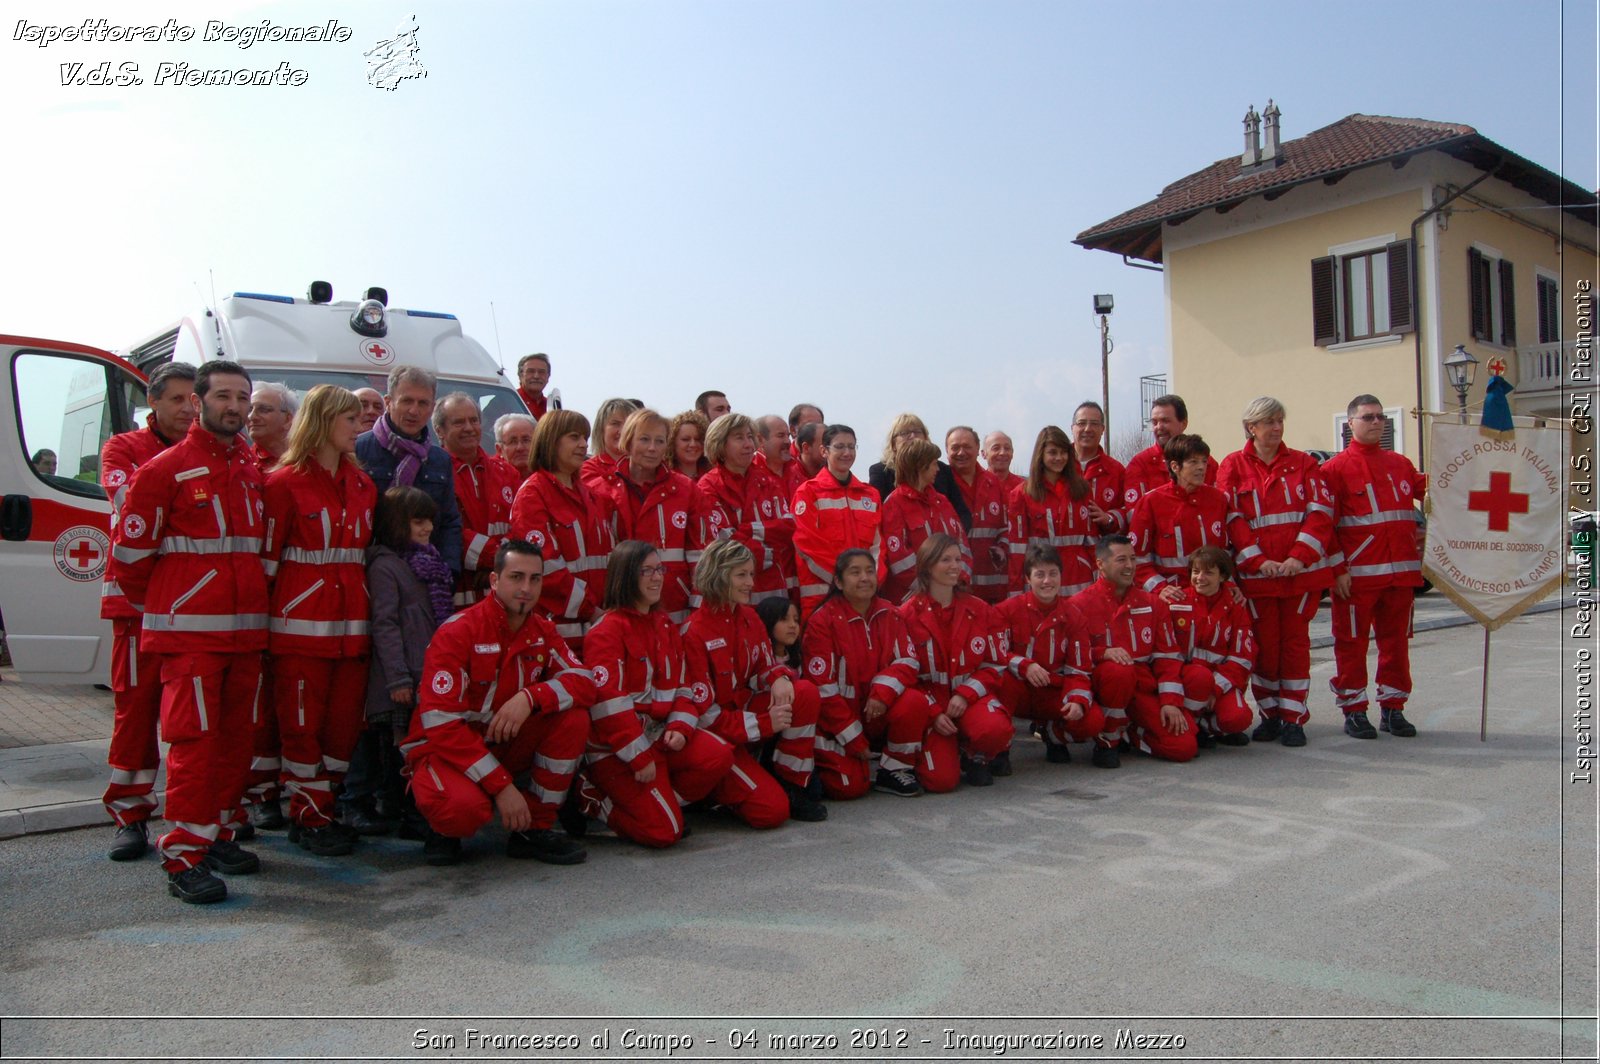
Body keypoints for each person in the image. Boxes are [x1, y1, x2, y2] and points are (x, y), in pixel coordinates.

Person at [109, 359, 267, 904]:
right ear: (200, 402)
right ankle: (182, 857)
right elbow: (130, 560)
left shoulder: (249, 471)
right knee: (194, 748)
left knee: (233, 745)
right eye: (224, 396)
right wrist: (172, 609)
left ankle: (217, 833)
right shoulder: (163, 470)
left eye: (243, 398)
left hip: (245, 637)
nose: (236, 406)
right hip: (192, 640)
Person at [403, 539, 595, 866]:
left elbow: (585, 682)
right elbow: (441, 726)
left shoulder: (542, 630)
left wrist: (531, 697)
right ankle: (436, 823)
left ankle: (533, 829)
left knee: (573, 718)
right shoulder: (459, 631)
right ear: (494, 581)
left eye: (535, 579)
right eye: (516, 577)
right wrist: (503, 787)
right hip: (449, 750)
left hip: (501, 743)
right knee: (462, 812)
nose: (526, 588)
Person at [262, 385, 376, 857]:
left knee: (343, 726)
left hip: (352, 627)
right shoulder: (282, 483)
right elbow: (266, 562)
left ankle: (321, 808)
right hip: (299, 628)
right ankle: (308, 815)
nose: (359, 426)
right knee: (301, 725)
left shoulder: (364, 484)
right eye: (350, 419)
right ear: (324, 421)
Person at [570, 541, 742, 847]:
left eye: (659, 569)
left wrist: (680, 726)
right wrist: (638, 757)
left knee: (719, 755)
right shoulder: (606, 631)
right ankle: (592, 798)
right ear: (624, 577)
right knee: (664, 834)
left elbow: (684, 687)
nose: (656, 577)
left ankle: (663, 807)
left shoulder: (664, 623)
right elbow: (609, 706)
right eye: (645, 571)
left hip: (660, 736)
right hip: (617, 751)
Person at [97, 361, 197, 862]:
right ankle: (130, 815)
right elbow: (127, 501)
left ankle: (195, 817)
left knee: (191, 720)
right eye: (176, 399)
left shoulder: (217, 451)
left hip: (193, 608)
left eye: (192, 399)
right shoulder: (123, 448)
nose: (187, 408)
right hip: (136, 604)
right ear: (152, 403)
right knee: (135, 711)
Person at [1216, 397, 1338, 746]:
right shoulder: (1233, 466)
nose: (1277, 427)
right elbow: (1232, 518)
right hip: (1258, 579)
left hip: (1298, 576)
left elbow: (1320, 514)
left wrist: (1298, 558)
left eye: (1280, 420)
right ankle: (1270, 714)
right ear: (1251, 427)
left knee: (1295, 647)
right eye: (1269, 421)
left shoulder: (1303, 464)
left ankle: (1293, 717)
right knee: (1264, 648)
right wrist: (1258, 562)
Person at [683, 539, 826, 822]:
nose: (751, 582)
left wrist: (779, 677)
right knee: (771, 813)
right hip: (721, 737)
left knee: (805, 691)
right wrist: (764, 724)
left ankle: (793, 781)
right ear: (718, 575)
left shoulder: (750, 617)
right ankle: (714, 793)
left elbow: (763, 665)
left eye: (751, 574)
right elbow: (705, 715)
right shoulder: (694, 632)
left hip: (746, 722)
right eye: (741, 575)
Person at [1321, 393, 1427, 740]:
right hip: (1357, 580)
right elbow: (1324, 526)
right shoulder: (1334, 470)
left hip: (1401, 577)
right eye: (1367, 417)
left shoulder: (1400, 464)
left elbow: (1438, 490)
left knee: (1396, 645)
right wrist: (1337, 570)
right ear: (1350, 423)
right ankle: (1354, 711)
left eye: (1381, 417)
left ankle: (1393, 709)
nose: (1376, 422)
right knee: (1350, 645)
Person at [802, 549, 930, 799]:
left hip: (876, 712)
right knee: (849, 788)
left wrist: (882, 693)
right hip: (838, 722)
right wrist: (852, 738)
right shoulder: (822, 622)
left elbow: (908, 660)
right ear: (838, 582)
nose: (865, 578)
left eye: (870, 571)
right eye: (855, 572)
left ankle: (895, 769)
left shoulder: (890, 613)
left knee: (913, 701)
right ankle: (826, 763)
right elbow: (822, 687)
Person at [363, 486, 451, 840]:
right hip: (402, 677)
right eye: (418, 521)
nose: (427, 527)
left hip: (425, 671)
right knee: (399, 750)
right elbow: (385, 624)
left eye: (429, 520)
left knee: (417, 746)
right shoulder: (386, 567)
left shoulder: (429, 562)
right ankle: (402, 810)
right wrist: (397, 679)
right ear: (398, 523)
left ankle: (416, 808)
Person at [898, 534, 1014, 789]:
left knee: (994, 728)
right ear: (927, 566)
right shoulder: (906, 615)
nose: (955, 566)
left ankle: (975, 756)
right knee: (941, 782)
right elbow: (903, 675)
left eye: (958, 559)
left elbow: (996, 664)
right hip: (932, 704)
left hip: (969, 700)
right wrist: (932, 712)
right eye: (945, 560)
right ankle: (941, 750)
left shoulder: (980, 609)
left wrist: (964, 694)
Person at [1069, 535, 1193, 768]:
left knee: (1184, 747)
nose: (1129, 566)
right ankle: (1108, 740)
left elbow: (1168, 658)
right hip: (1103, 685)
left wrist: (1170, 702)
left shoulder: (1153, 604)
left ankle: (1131, 734)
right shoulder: (1079, 604)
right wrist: (1102, 653)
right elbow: (1071, 658)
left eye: (1133, 559)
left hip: (1141, 688)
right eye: (1121, 560)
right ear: (1100, 564)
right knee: (1118, 672)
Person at [509, 408, 616, 656]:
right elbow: (543, 566)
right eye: (574, 437)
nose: (582, 445)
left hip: (598, 627)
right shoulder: (533, 495)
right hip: (557, 631)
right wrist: (591, 609)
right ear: (550, 440)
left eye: (585, 438)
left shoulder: (591, 495)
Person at [596, 408, 708, 625]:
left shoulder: (687, 490)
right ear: (628, 442)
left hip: (675, 607)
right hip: (621, 605)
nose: (652, 448)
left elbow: (701, 555)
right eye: (644, 439)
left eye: (660, 441)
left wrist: (697, 605)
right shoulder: (601, 491)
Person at [995, 544, 1103, 765]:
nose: (1047, 581)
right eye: (1040, 575)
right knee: (1001, 680)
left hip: (1053, 692)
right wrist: (1024, 665)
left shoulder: (1074, 617)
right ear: (1028, 579)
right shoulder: (1006, 611)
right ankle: (1000, 750)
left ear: (1061, 576)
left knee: (1092, 721)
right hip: (1019, 690)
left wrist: (1077, 700)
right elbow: (995, 653)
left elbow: (1079, 669)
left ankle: (1054, 734)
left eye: (1053, 574)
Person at [1128, 433, 1264, 602]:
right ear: (1175, 466)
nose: (1201, 467)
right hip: (1173, 599)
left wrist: (1229, 584)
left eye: (1204, 461)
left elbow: (1225, 553)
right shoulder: (1150, 503)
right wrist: (1159, 587)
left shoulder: (1219, 500)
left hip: (1214, 596)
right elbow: (1137, 558)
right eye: (1193, 462)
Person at [355, 365, 463, 574]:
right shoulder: (358, 450)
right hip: (370, 572)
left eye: (423, 403)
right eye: (406, 401)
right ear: (388, 402)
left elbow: (449, 521)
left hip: (424, 575)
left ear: (432, 408)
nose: (414, 411)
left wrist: (448, 571)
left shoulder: (439, 460)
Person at [697, 413, 795, 608]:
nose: (749, 444)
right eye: (739, 437)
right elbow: (723, 543)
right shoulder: (708, 486)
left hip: (774, 591)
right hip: (732, 595)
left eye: (750, 437)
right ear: (720, 444)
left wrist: (748, 530)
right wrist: (766, 551)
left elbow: (789, 528)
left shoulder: (768, 482)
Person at [435, 393, 520, 608]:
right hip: (456, 595)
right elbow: (445, 529)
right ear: (439, 431)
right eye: (458, 422)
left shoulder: (507, 473)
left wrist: (500, 562)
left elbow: (521, 525)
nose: (469, 428)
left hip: (503, 594)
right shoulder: (433, 474)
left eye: (474, 420)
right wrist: (497, 558)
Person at [791, 424, 882, 618]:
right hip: (822, 598)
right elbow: (808, 545)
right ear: (824, 451)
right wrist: (845, 581)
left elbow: (879, 547)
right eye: (840, 447)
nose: (847, 452)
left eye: (852, 446)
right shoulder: (808, 492)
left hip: (864, 597)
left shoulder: (871, 495)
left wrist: (871, 581)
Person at [1169, 546, 1256, 747]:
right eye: (1196, 572)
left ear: (1223, 576)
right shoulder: (1176, 602)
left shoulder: (1236, 608)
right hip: (1188, 681)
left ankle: (1207, 727)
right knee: (1199, 676)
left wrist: (1216, 688)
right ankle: (1192, 725)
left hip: (1220, 681)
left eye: (1208, 572)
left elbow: (1243, 658)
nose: (1200, 578)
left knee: (1238, 719)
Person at [1008, 425, 1096, 596]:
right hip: (1042, 577)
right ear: (1041, 455)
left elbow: (1092, 540)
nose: (1059, 458)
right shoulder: (1021, 494)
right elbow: (1017, 551)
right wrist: (1015, 592)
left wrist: (1099, 577)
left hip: (1079, 577)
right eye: (1052, 452)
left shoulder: (1082, 489)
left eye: (1063, 452)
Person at [878, 438, 969, 604]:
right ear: (920, 466)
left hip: (949, 596)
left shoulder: (942, 501)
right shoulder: (895, 504)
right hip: (911, 601)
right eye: (934, 464)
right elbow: (898, 558)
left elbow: (962, 544)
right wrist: (930, 589)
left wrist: (959, 581)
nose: (938, 469)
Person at [941, 425, 1010, 603]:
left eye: (967, 447)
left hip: (992, 583)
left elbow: (1006, 527)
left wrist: (1001, 549)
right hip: (955, 584)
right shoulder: (940, 486)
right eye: (955, 448)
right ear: (946, 451)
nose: (961, 452)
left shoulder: (993, 483)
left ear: (978, 450)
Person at [1122, 394, 1218, 509]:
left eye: (1165, 421)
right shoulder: (1140, 464)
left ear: (1183, 424)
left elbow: (1217, 507)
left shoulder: (1207, 463)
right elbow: (1135, 513)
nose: (1159, 427)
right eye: (1154, 422)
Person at [1070, 401, 1128, 534]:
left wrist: (1109, 518)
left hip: (1102, 551)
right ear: (1072, 428)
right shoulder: (1058, 466)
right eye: (1081, 423)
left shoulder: (1116, 470)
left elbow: (1129, 509)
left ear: (1103, 429)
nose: (1087, 429)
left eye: (1094, 424)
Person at [580, 397, 638, 491]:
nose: (623, 431)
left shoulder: (646, 469)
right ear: (601, 429)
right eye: (615, 424)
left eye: (628, 425)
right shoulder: (587, 470)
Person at [868, 413, 930, 498]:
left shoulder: (941, 470)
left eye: (917, 431)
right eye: (905, 433)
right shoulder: (880, 472)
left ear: (926, 438)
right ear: (893, 444)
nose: (912, 436)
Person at [246, 382, 297, 470]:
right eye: (249, 409)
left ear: (288, 420)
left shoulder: (309, 460)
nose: (252, 416)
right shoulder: (244, 463)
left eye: (263, 410)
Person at [756, 414, 806, 501]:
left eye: (788, 436)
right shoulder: (750, 473)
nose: (787, 441)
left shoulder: (797, 474)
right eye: (781, 435)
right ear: (760, 440)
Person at [756, 595, 803, 670]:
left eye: (796, 620)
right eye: (784, 619)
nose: (793, 625)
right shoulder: (758, 663)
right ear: (767, 622)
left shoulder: (799, 658)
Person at [492, 412, 536, 482]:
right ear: (499, 449)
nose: (520, 448)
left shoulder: (551, 472)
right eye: (513, 442)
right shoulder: (491, 477)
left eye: (526, 440)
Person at [669, 410, 711, 480]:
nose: (693, 444)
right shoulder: (664, 477)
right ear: (672, 442)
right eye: (686, 439)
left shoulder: (714, 477)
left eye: (698, 439)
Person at [982, 430, 1024, 496]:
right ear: (983, 454)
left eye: (1007, 448)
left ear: (1012, 453)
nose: (1002, 453)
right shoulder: (976, 485)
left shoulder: (1024, 488)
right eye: (996, 448)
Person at [514, 353, 554, 420]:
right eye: (531, 371)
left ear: (548, 377)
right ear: (520, 375)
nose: (536, 376)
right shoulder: (508, 400)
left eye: (541, 372)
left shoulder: (551, 406)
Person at [792, 422, 826, 486]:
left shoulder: (836, 477)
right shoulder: (787, 478)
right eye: (825, 445)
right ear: (806, 448)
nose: (830, 450)